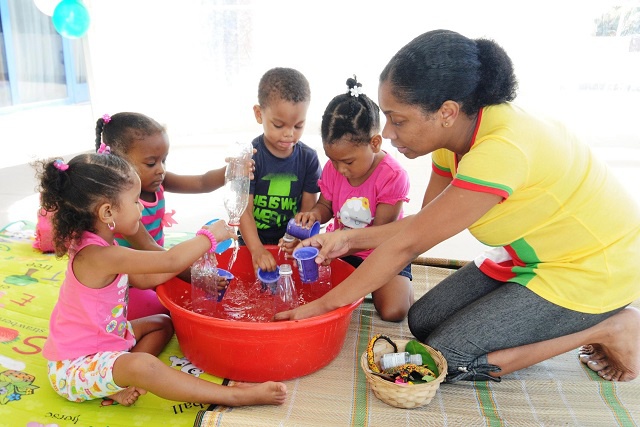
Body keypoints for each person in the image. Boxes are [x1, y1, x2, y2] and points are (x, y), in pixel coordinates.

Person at [275, 29, 640, 384]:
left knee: (447, 358)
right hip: (534, 255)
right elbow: (420, 226)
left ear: (447, 111)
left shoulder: (499, 151)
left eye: (398, 119)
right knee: (423, 320)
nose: (386, 132)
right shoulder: (456, 139)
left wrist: (323, 307)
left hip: (593, 268)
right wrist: (346, 240)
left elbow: (409, 244)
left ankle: (611, 327)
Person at [36, 152, 287, 407]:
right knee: (143, 365)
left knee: (163, 323)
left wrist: (197, 276)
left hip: (108, 342)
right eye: (135, 201)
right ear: (107, 211)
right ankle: (234, 396)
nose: (142, 206)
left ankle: (122, 378)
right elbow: (170, 262)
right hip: (74, 367)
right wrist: (208, 237)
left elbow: (147, 279)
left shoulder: (100, 245)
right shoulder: (98, 256)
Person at [291, 76, 413, 322]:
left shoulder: (392, 176)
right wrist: (313, 215)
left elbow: (380, 233)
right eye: (332, 159)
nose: (340, 169)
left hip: (381, 250)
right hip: (343, 249)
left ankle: (406, 283)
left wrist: (339, 244)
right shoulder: (334, 168)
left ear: (375, 143)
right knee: (314, 294)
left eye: (347, 161)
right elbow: (325, 205)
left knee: (393, 311)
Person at [95, 112, 234, 319]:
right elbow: (149, 246)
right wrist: (195, 277)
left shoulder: (157, 180)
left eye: (164, 160)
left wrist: (231, 171)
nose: (161, 170)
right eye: (151, 163)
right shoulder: (122, 206)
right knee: (164, 311)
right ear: (119, 163)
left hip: (157, 262)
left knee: (176, 299)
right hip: (128, 279)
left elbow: (202, 182)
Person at [238, 67, 322, 273]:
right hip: (252, 240)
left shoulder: (308, 159)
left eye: (298, 126)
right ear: (259, 114)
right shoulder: (250, 157)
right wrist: (257, 249)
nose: (289, 134)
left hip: (289, 242)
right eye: (278, 125)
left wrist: (295, 239)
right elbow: (243, 211)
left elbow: (306, 212)